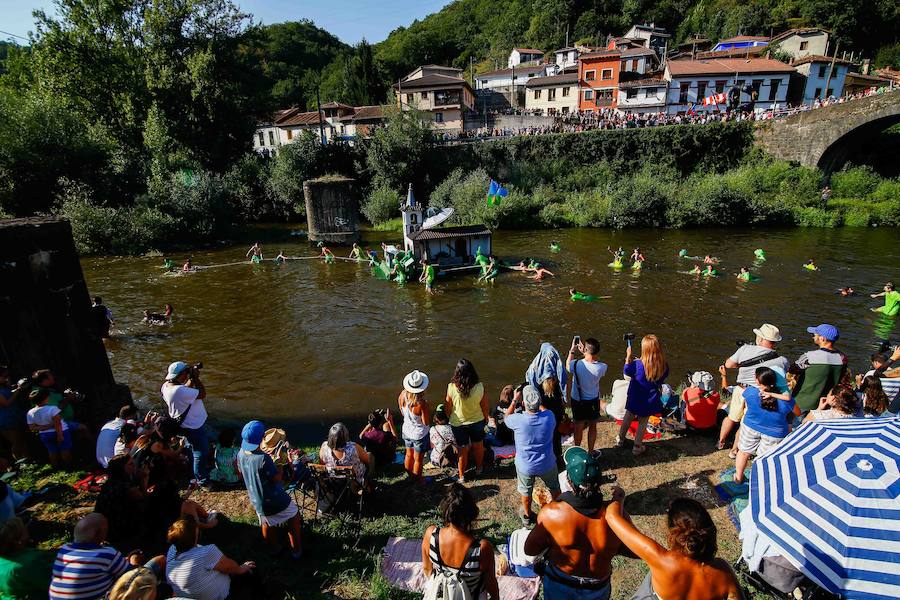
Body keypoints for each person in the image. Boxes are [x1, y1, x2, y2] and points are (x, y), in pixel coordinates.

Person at [524, 447, 632, 600]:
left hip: (560, 583)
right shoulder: (616, 516)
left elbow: (530, 550)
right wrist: (618, 502)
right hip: (596, 588)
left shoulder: (552, 514)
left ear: (568, 481)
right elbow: (634, 551)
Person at [605, 494, 741, 600]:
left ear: (673, 533)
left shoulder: (659, 558)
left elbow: (611, 516)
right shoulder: (723, 572)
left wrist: (619, 498)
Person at [237, 421, 302, 560]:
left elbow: (240, 473)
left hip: (256, 497)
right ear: (261, 438)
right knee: (294, 516)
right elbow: (277, 478)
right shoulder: (263, 459)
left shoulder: (241, 453)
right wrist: (279, 464)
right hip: (273, 498)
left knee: (266, 521)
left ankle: (274, 548)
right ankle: (296, 551)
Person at [718, 324, 790, 451]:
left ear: (761, 338)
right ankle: (735, 450)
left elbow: (728, 364)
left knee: (731, 417)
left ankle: (721, 442)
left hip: (740, 390)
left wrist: (742, 365)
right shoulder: (782, 360)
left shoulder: (745, 349)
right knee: (745, 423)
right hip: (759, 394)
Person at [421, 484, 499, 600]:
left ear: (446, 511)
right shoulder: (482, 549)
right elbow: (491, 585)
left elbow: (427, 570)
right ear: (472, 513)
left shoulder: (431, 534)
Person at [49, 513, 146, 600]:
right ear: (100, 534)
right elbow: (132, 575)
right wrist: (134, 560)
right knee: (153, 566)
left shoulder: (64, 550)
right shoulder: (107, 553)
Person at [505, 385, 560, 526]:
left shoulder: (518, 420)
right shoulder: (549, 417)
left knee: (526, 491)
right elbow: (544, 410)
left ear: (523, 404)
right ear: (540, 402)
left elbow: (506, 417)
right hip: (547, 463)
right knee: (554, 487)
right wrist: (539, 403)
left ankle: (528, 515)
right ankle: (558, 511)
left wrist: (514, 401)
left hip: (526, 466)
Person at [165, 516, 255, 600]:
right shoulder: (206, 553)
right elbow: (230, 567)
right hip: (221, 596)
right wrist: (242, 568)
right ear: (194, 535)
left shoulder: (172, 550)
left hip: (191, 597)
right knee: (249, 570)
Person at [732, 367, 795, 487]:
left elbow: (745, 396)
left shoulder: (750, 392)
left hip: (751, 426)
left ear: (758, 380)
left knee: (744, 452)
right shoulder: (788, 401)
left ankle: (738, 478)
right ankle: (760, 482)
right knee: (763, 459)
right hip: (775, 433)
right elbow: (793, 415)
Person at [616, 335, 668, 456]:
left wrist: (628, 357)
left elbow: (626, 371)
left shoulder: (637, 364)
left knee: (628, 416)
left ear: (644, 349)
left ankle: (620, 439)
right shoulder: (663, 366)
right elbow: (661, 380)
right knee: (643, 422)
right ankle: (637, 446)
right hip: (650, 399)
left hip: (635, 396)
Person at [161, 361, 210, 485]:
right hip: (193, 426)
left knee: (190, 447)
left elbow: (185, 389)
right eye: (186, 372)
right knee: (201, 452)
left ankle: (190, 470)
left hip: (184, 425)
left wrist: (191, 378)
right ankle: (202, 480)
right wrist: (196, 378)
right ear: (182, 374)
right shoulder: (179, 391)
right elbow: (202, 393)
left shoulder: (166, 386)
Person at [444, 359, 488, 483]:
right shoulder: (480, 387)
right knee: (478, 445)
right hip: (477, 421)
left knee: (462, 449)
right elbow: (485, 407)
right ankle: (479, 469)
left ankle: (462, 476)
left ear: (457, 372)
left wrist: (449, 417)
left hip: (458, 424)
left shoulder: (451, 387)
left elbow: (448, 407)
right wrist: (486, 419)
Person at [790, 324, 847, 414]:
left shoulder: (809, 356)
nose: (813, 337)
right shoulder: (842, 358)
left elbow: (792, 369)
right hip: (825, 404)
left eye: (815, 335)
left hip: (802, 403)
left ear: (822, 339)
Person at [567, 337, 607, 452]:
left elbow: (567, 365)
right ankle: (590, 451)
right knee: (593, 426)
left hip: (578, 400)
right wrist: (586, 353)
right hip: (593, 401)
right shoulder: (602, 367)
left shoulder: (575, 365)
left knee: (578, 427)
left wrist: (572, 350)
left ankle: (577, 450)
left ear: (585, 349)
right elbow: (592, 362)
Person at [0, 517, 55, 599]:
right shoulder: (29, 563)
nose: (26, 528)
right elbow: (52, 584)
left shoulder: (3, 558)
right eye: (24, 528)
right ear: (18, 541)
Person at [26, 388, 73, 468]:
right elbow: (58, 423)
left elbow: (32, 427)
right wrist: (60, 435)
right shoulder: (53, 409)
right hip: (61, 432)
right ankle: (69, 466)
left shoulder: (30, 412)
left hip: (45, 435)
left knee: (52, 451)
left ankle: (56, 467)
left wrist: (45, 427)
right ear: (45, 399)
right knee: (64, 449)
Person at [399, 370, 431, 483]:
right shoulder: (422, 404)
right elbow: (426, 422)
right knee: (418, 459)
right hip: (419, 435)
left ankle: (410, 476)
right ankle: (419, 480)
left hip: (406, 430)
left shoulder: (402, 395)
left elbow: (402, 412)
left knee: (408, 454)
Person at [319, 423, 371, 488]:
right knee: (369, 455)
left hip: (332, 483)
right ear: (345, 436)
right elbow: (367, 461)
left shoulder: (324, 447)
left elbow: (322, 465)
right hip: (354, 484)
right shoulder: (353, 448)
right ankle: (367, 484)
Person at [0, 366, 27, 460]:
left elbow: (9, 392)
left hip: (15, 415)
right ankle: (20, 461)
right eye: (4, 376)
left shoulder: (4, 386)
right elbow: (5, 403)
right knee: (16, 441)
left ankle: (25, 458)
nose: (7, 378)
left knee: (21, 439)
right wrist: (18, 391)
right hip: (6, 419)